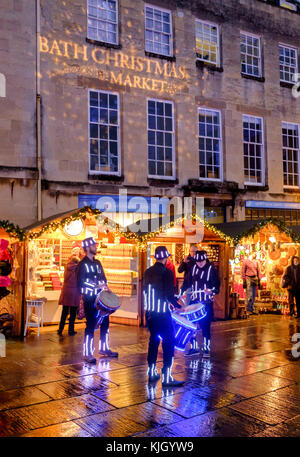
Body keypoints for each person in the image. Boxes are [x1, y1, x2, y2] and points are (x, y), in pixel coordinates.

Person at [143, 246, 185, 387]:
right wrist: (179, 305)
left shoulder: (147, 272)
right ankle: (167, 377)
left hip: (150, 313)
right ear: (166, 258)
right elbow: (168, 294)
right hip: (162, 313)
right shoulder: (167, 272)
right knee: (169, 342)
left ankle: (152, 372)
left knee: (153, 341)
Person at [77, 237, 118, 363]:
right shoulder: (82, 264)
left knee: (105, 324)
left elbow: (103, 278)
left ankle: (104, 348)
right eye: (94, 245)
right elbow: (81, 284)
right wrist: (96, 286)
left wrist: (106, 287)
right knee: (90, 326)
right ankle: (87, 353)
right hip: (90, 300)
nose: (96, 247)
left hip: (101, 299)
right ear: (88, 248)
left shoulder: (98, 263)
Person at [183, 250, 220, 357]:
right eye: (197, 261)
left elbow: (217, 286)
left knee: (205, 327)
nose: (199, 263)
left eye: (201, 261)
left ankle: (206, 349)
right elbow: (187, 282)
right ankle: (194, 348)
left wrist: (211, 290)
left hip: (206, 303)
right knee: (192, 326)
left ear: (205, 260)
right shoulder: (193, 268)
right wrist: (181, 292)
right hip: (194, 302)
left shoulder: (211, 269)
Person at [57, 255, 81, 336]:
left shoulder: (66, 267)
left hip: (66, 291)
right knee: (73, 312)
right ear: (77, 262)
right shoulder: (78, 269)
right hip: (74, 291)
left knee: (64, 311)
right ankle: (71, 330)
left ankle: (60, 329)